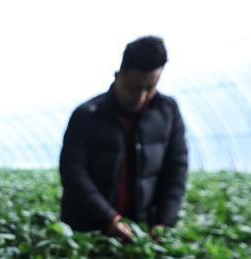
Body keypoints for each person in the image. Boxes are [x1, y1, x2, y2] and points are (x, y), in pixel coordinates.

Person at [59, 36, 188, 241]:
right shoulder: (87, 115)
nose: (141, 97)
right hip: (90, 229)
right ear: (118, 75)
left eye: (150, 88)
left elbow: (176, 169)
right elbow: (73, 173)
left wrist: (164, 221)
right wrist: (109, 218)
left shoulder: (167, 112)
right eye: (134, 88)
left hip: (141, 230)